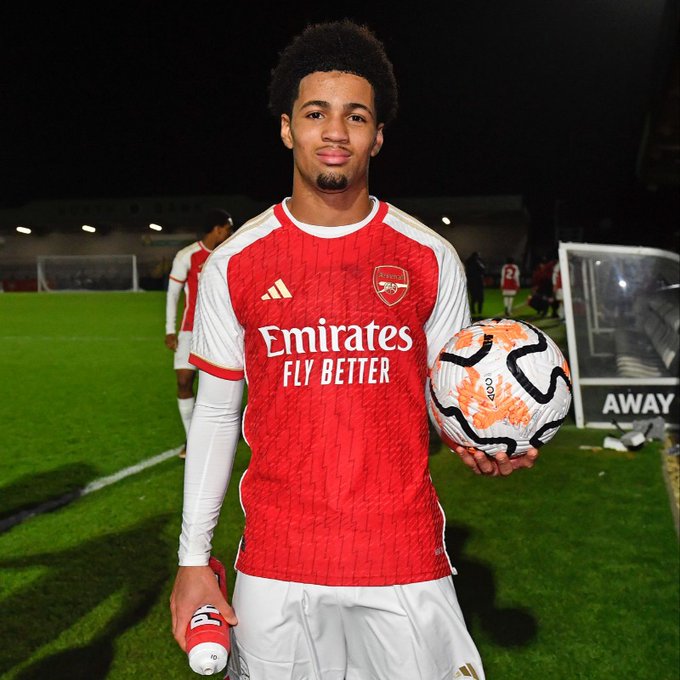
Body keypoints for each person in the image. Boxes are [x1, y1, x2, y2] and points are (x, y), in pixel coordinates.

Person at [170, 19, 539, 680]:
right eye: (316, 113)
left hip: (403, 555)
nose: (334, 131)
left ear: (377, 134)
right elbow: (219, 417)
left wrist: (478, 440)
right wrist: (194, 559)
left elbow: (446, 402)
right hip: (277, 565)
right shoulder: (237, 263)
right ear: (288, 127)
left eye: (355, 115)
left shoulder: (430, 258)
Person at [164, 209, 233, 458]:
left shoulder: (231, 253)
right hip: (190, 330)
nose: (229, 233)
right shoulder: (187, 256)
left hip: (223, 330)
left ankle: (217, 440)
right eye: (227, 228)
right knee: (184, 381)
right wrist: (170, 330)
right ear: (217, 228)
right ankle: (192, 440)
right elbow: (173, 294)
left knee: (216, 389)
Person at [465, 250, 486, 317]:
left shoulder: (468, 262)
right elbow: (483, 269)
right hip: (478, 282)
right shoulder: (477, 262)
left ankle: (473, 311)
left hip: (471, 282)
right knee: (480, 298)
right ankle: (479, 311)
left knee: (473, 297)